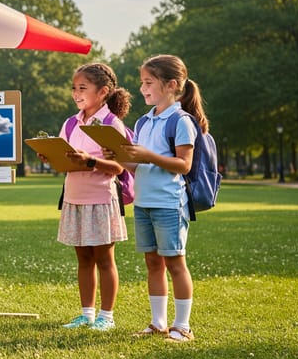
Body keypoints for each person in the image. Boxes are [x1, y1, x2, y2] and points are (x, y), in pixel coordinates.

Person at [117, 54, 206, 343]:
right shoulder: (143, 122)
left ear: (170, 85)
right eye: (142, 82)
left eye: (148, 82)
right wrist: (120, 157)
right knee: (153, 263)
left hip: (169, 202)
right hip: (143, 202)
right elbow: (138, 166)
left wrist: (146, 156)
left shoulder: (181, 120)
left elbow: (184, 165)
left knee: (175, 263)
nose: (143, 88)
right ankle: (158, 323)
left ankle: (183, 326)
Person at [54, 63, 131, 332]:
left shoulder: (112, 124)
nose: (76, 93)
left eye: (82, 88)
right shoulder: (71, 123)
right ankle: (86, 314)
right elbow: (65, 160)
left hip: (100, 199)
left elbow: (119, 168)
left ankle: (106, 317)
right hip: (74, 198)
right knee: (83, 260)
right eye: (74, 88)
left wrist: (90, 162)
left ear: (103, 91)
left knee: (104, 259)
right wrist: (51, 156)